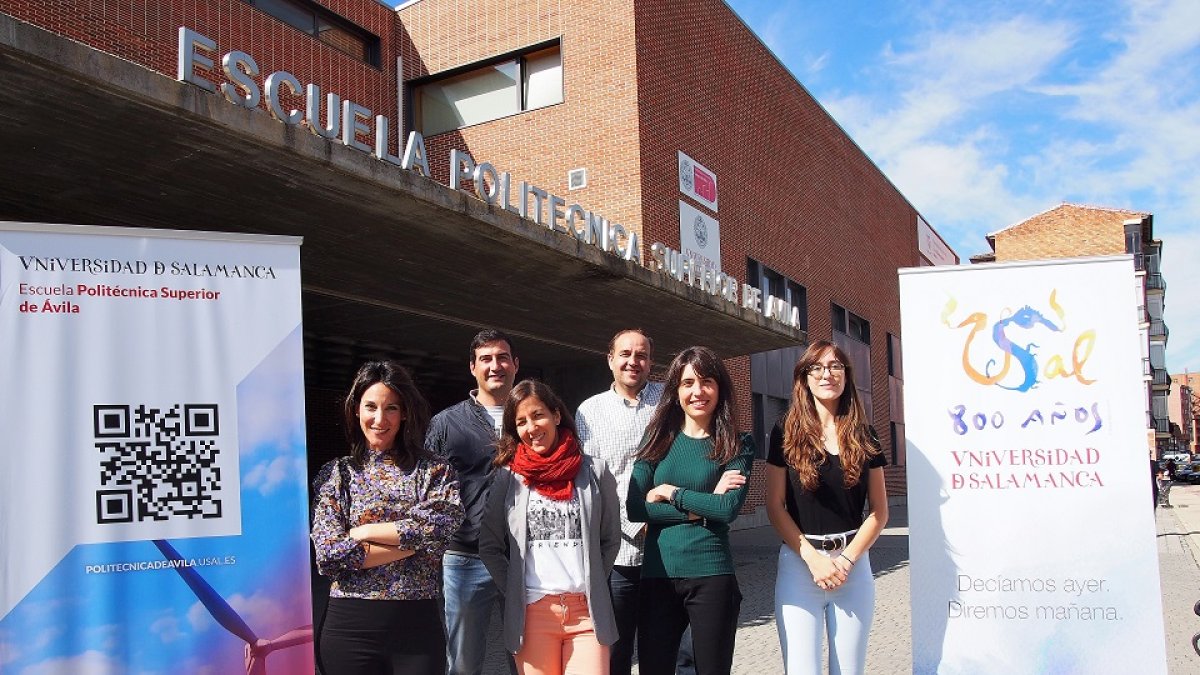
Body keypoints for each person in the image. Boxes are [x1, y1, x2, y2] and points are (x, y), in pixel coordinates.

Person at [310, 360, 464, 675]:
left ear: (405, 412)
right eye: (371, 407)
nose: (380, 419)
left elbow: (442, 525)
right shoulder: (335, 475)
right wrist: (416, 544)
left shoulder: (434, 471)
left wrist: (361, 532)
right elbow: (328, 555)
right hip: (349, 629)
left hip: (416, 629)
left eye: (391, 408)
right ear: (356, 410)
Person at [626, 345, 755, 675]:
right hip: (658, 575)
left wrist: (671, 492)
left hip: (712, 575)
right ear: (676, 390)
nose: (698, 391)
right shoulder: (655, 440)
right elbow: (636, 508)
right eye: (688, 383)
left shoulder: (737, 444)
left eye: (706, 381)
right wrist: (702, 506)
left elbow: (727, 509)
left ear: (719, 388)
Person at [480, 379, 621, 675]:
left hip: (587, 614)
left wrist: (593, 579)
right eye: (521, 421)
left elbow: (610, 539)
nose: (531, 427)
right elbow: (490, 545)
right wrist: (516, 590)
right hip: (533, 615)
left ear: (556, 416)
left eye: (538, 415)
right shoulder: (508, 479)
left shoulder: (594, 471)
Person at [765, 340, 888, 675]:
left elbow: (879, 512)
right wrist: (814, 559)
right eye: (816, 367)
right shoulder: (784, 431)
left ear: (846, 375)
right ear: (804, 378)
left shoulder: (866, 434)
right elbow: (775, 506)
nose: (827, 374)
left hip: (853, 568)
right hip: (800, 567)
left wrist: (846, 561)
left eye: (835, 366)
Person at [426, 328, 521, 675]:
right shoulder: (446, 424)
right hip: (466, 557)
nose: (495, 366)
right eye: (486, 359)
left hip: (525, 558)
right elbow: (430, 494)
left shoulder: (532, 418)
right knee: (463, 662)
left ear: (515, 364)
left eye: (502, 357)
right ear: (472, 367)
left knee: (529, 656)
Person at [575, 328, 664, 675]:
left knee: (666, 649)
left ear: (651, 362)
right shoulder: (589, 412)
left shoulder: (670, 401)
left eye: (641, 355)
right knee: (616, 653)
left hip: (666, 549)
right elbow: (589, 481)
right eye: (625, 354)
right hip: (617, 555)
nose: (633, 361)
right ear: (610, 360)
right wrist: (630, 521)